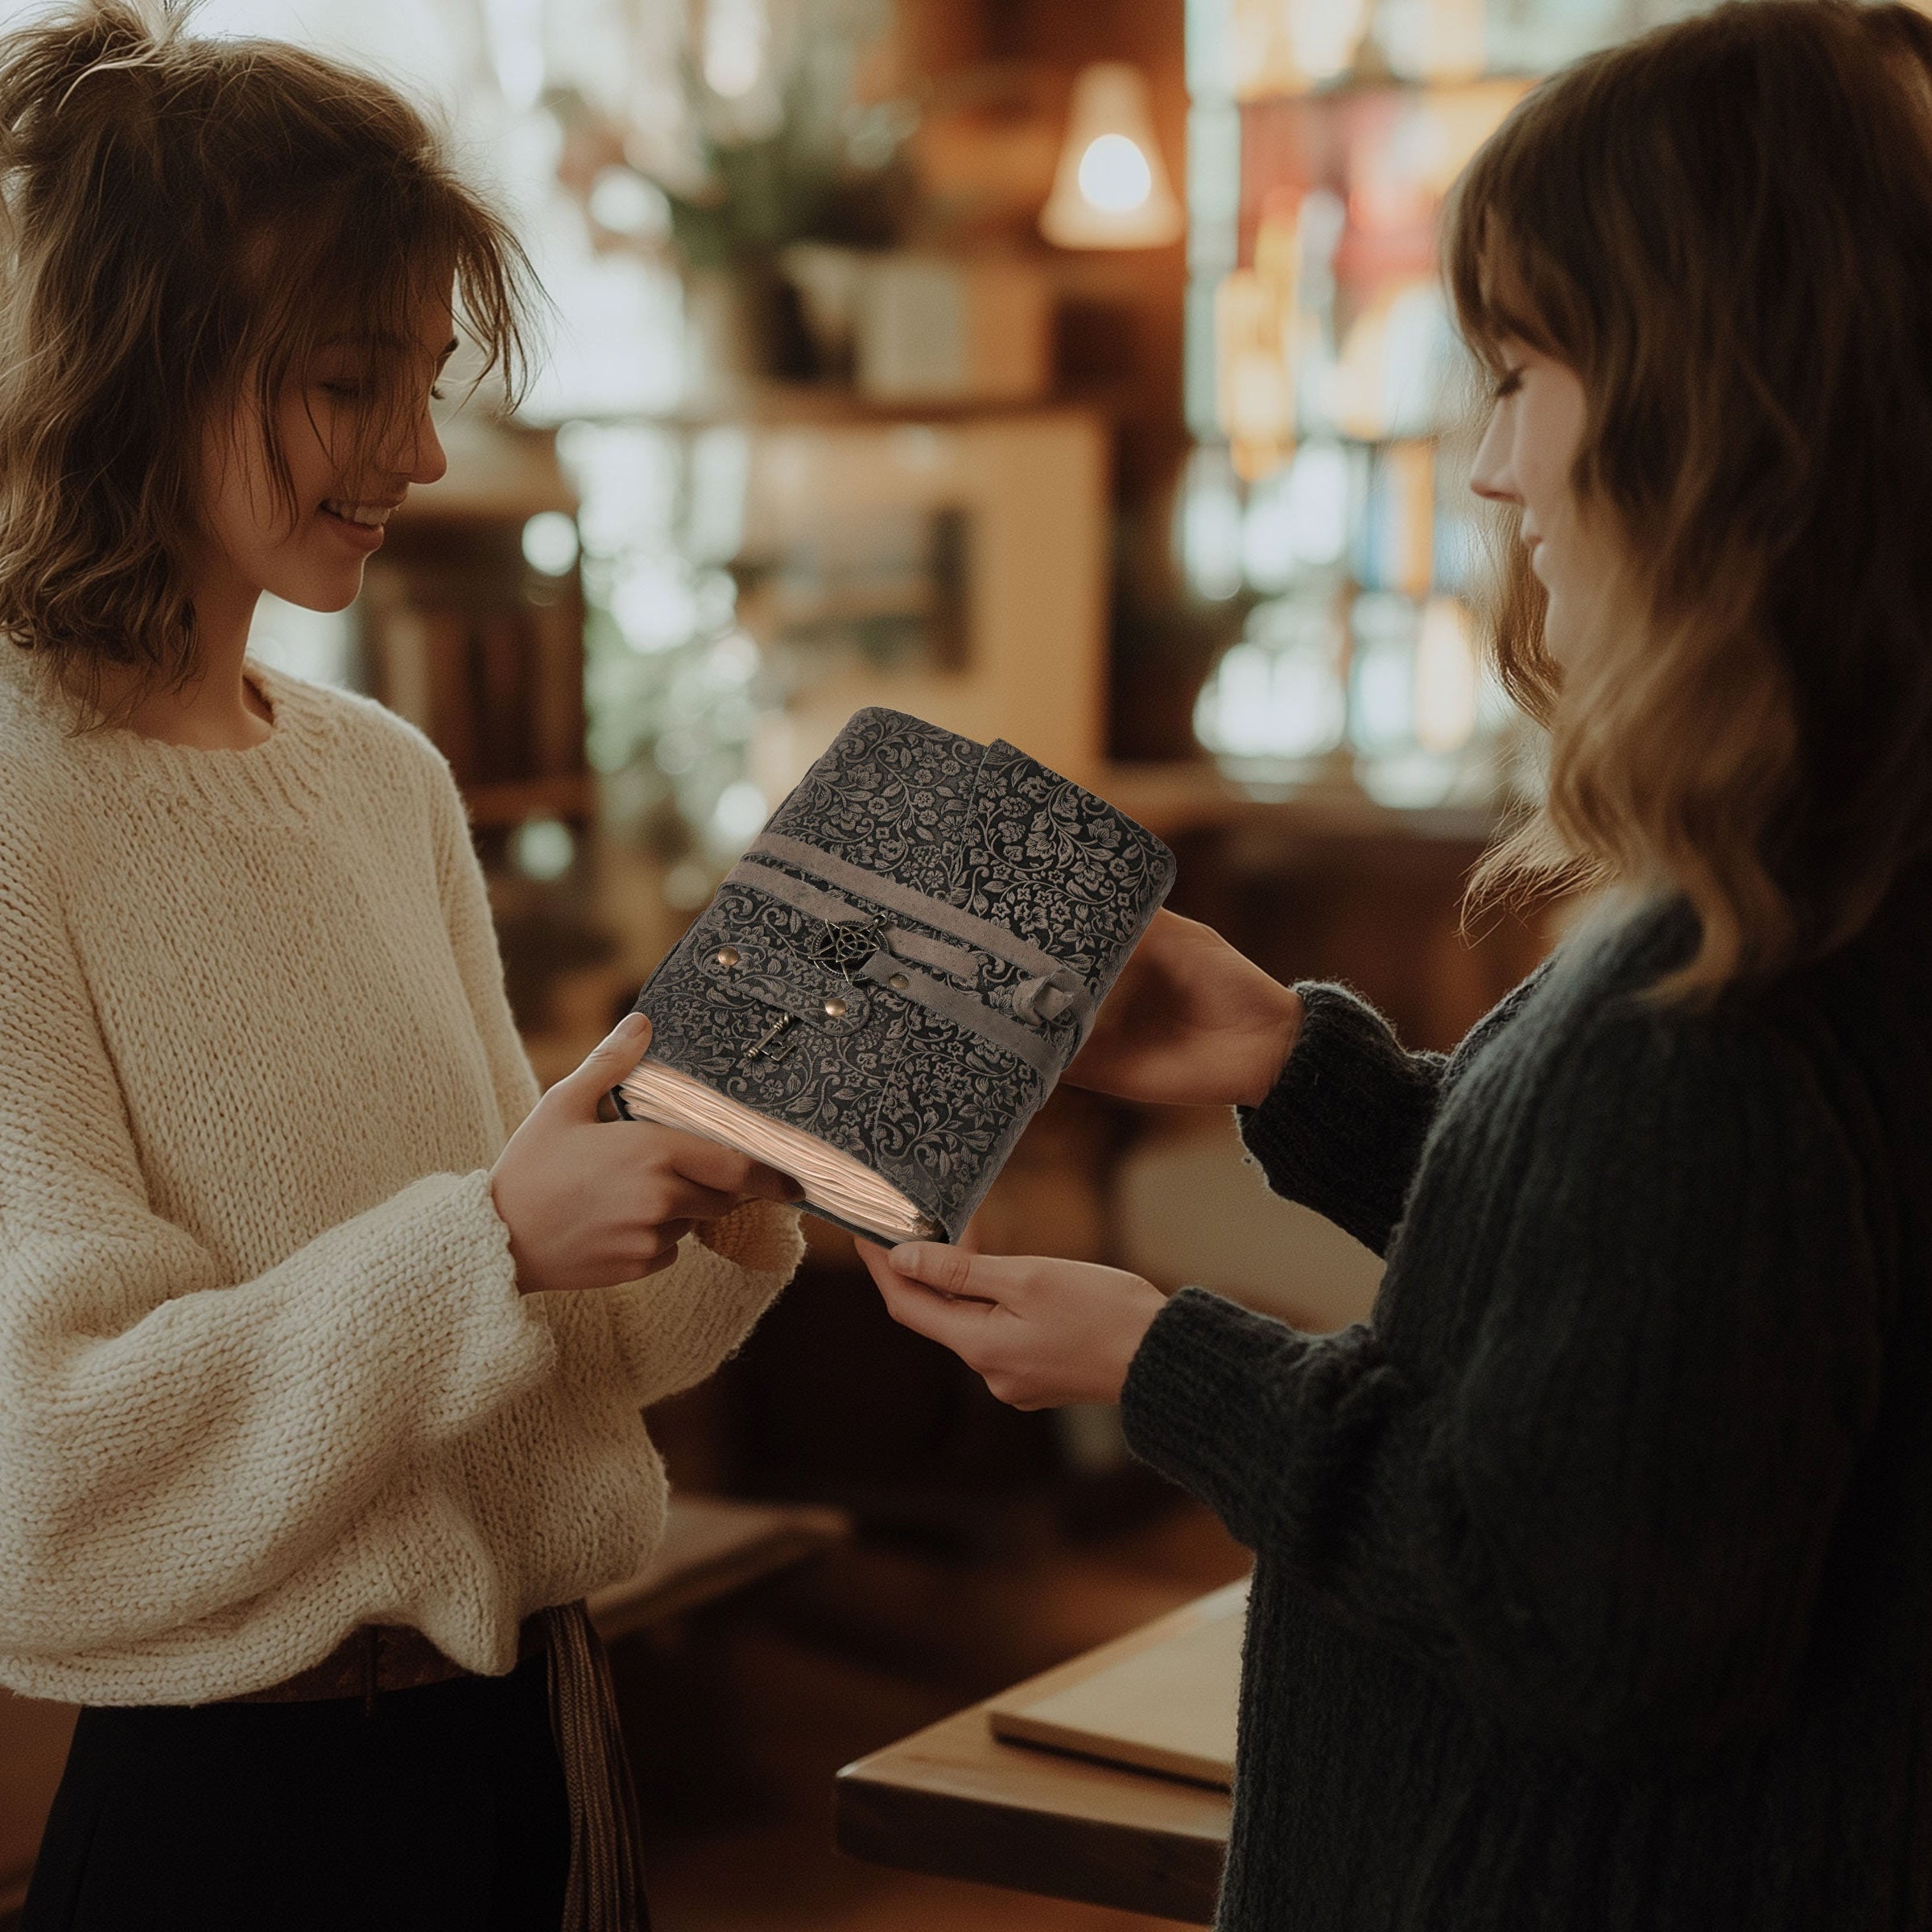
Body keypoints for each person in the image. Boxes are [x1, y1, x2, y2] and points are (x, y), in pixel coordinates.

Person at [858, 3, 1932, 1926]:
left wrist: (1159, 1360)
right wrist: (1300, 1066)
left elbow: (1585, 1620)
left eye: (1525, 370)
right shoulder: (1842, 879)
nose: (1498, 468)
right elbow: (1660, 1318)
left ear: (1717, 400)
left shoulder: (1737, 987)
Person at [0, 6, 803, 1928]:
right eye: (358, 381)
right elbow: (50, 1486)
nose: (421, 453)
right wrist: (498, 1236)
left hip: (529, 1758)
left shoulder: (381, 780)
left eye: (427, 381)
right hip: (238, 1821)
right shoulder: (20, 810)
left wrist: (723, 1192)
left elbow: (552, 1367)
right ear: (139, 361)